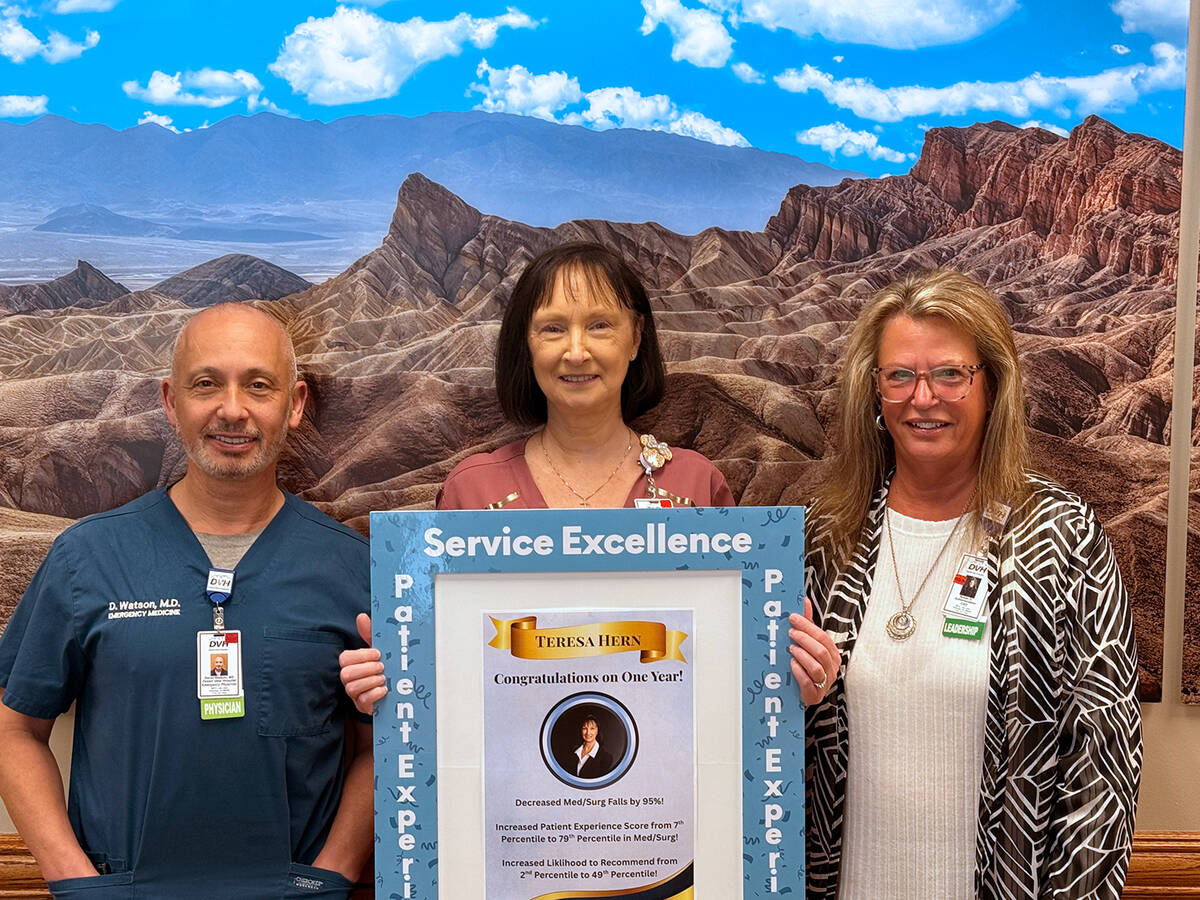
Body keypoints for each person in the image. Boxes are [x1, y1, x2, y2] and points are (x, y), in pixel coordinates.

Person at [787, 269, 1141, 899]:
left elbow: (1102, 770)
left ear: (990, 387)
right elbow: (767, 748)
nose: (924, 398)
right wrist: (797, 706)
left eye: (949, 373)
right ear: (874, 393)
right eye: (900, 375)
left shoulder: (1063, 538)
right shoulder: (824, 539)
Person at [0, 304, 373, 898]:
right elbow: (14, 729)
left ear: (295, 404)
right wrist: (73, 879)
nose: (232, 409)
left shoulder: (352, 567)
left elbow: (380, 746)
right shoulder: (87, 557)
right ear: (172, 403)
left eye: (258, 385)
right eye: (206, 384)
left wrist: (331, 873)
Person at [340, 242, 735, 713]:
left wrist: (786, 679)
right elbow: (440, 670)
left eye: (600, 325)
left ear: (636, 338)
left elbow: (727, 669)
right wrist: (390, 688)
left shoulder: (697, 486)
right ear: (526, 346)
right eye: (552, 329)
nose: (575, 351)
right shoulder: (473, 491)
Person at [554, 715, 615, 780]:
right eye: (584, 728)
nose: (588, 733)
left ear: (597, 731)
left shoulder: (606, 758)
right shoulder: (572, 752)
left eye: (592, 728)